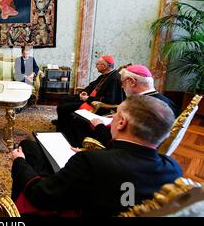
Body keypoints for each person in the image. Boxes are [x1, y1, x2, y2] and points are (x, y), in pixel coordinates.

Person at [11, 95, 183, 217]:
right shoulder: (174, 170)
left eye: (116, 114)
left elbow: (41, 195)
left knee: (26, 151)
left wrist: (19, 162)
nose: (113, 117)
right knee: (30, 146)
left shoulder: (91, 162)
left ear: (122, 122)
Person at [84, 64, 180, 147]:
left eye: (122, 82)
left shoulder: (144, 106)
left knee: (82, 126)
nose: (121, 86)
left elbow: (121, 143)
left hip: (121, 155)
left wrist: (99, 126)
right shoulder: (163, 101)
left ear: (132, 82)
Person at [51, 55, 124, 132]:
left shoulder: (114, 79)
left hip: (97, 105)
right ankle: (62, 121)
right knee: (63, 99)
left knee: (63, 107)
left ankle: (62, 129)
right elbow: (92, 85)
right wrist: (85, 92)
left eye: (97, 64)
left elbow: (109, 100)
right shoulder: (104, 75)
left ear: (104, 66)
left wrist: (88, 98)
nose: (96, 66)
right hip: (89, 98)